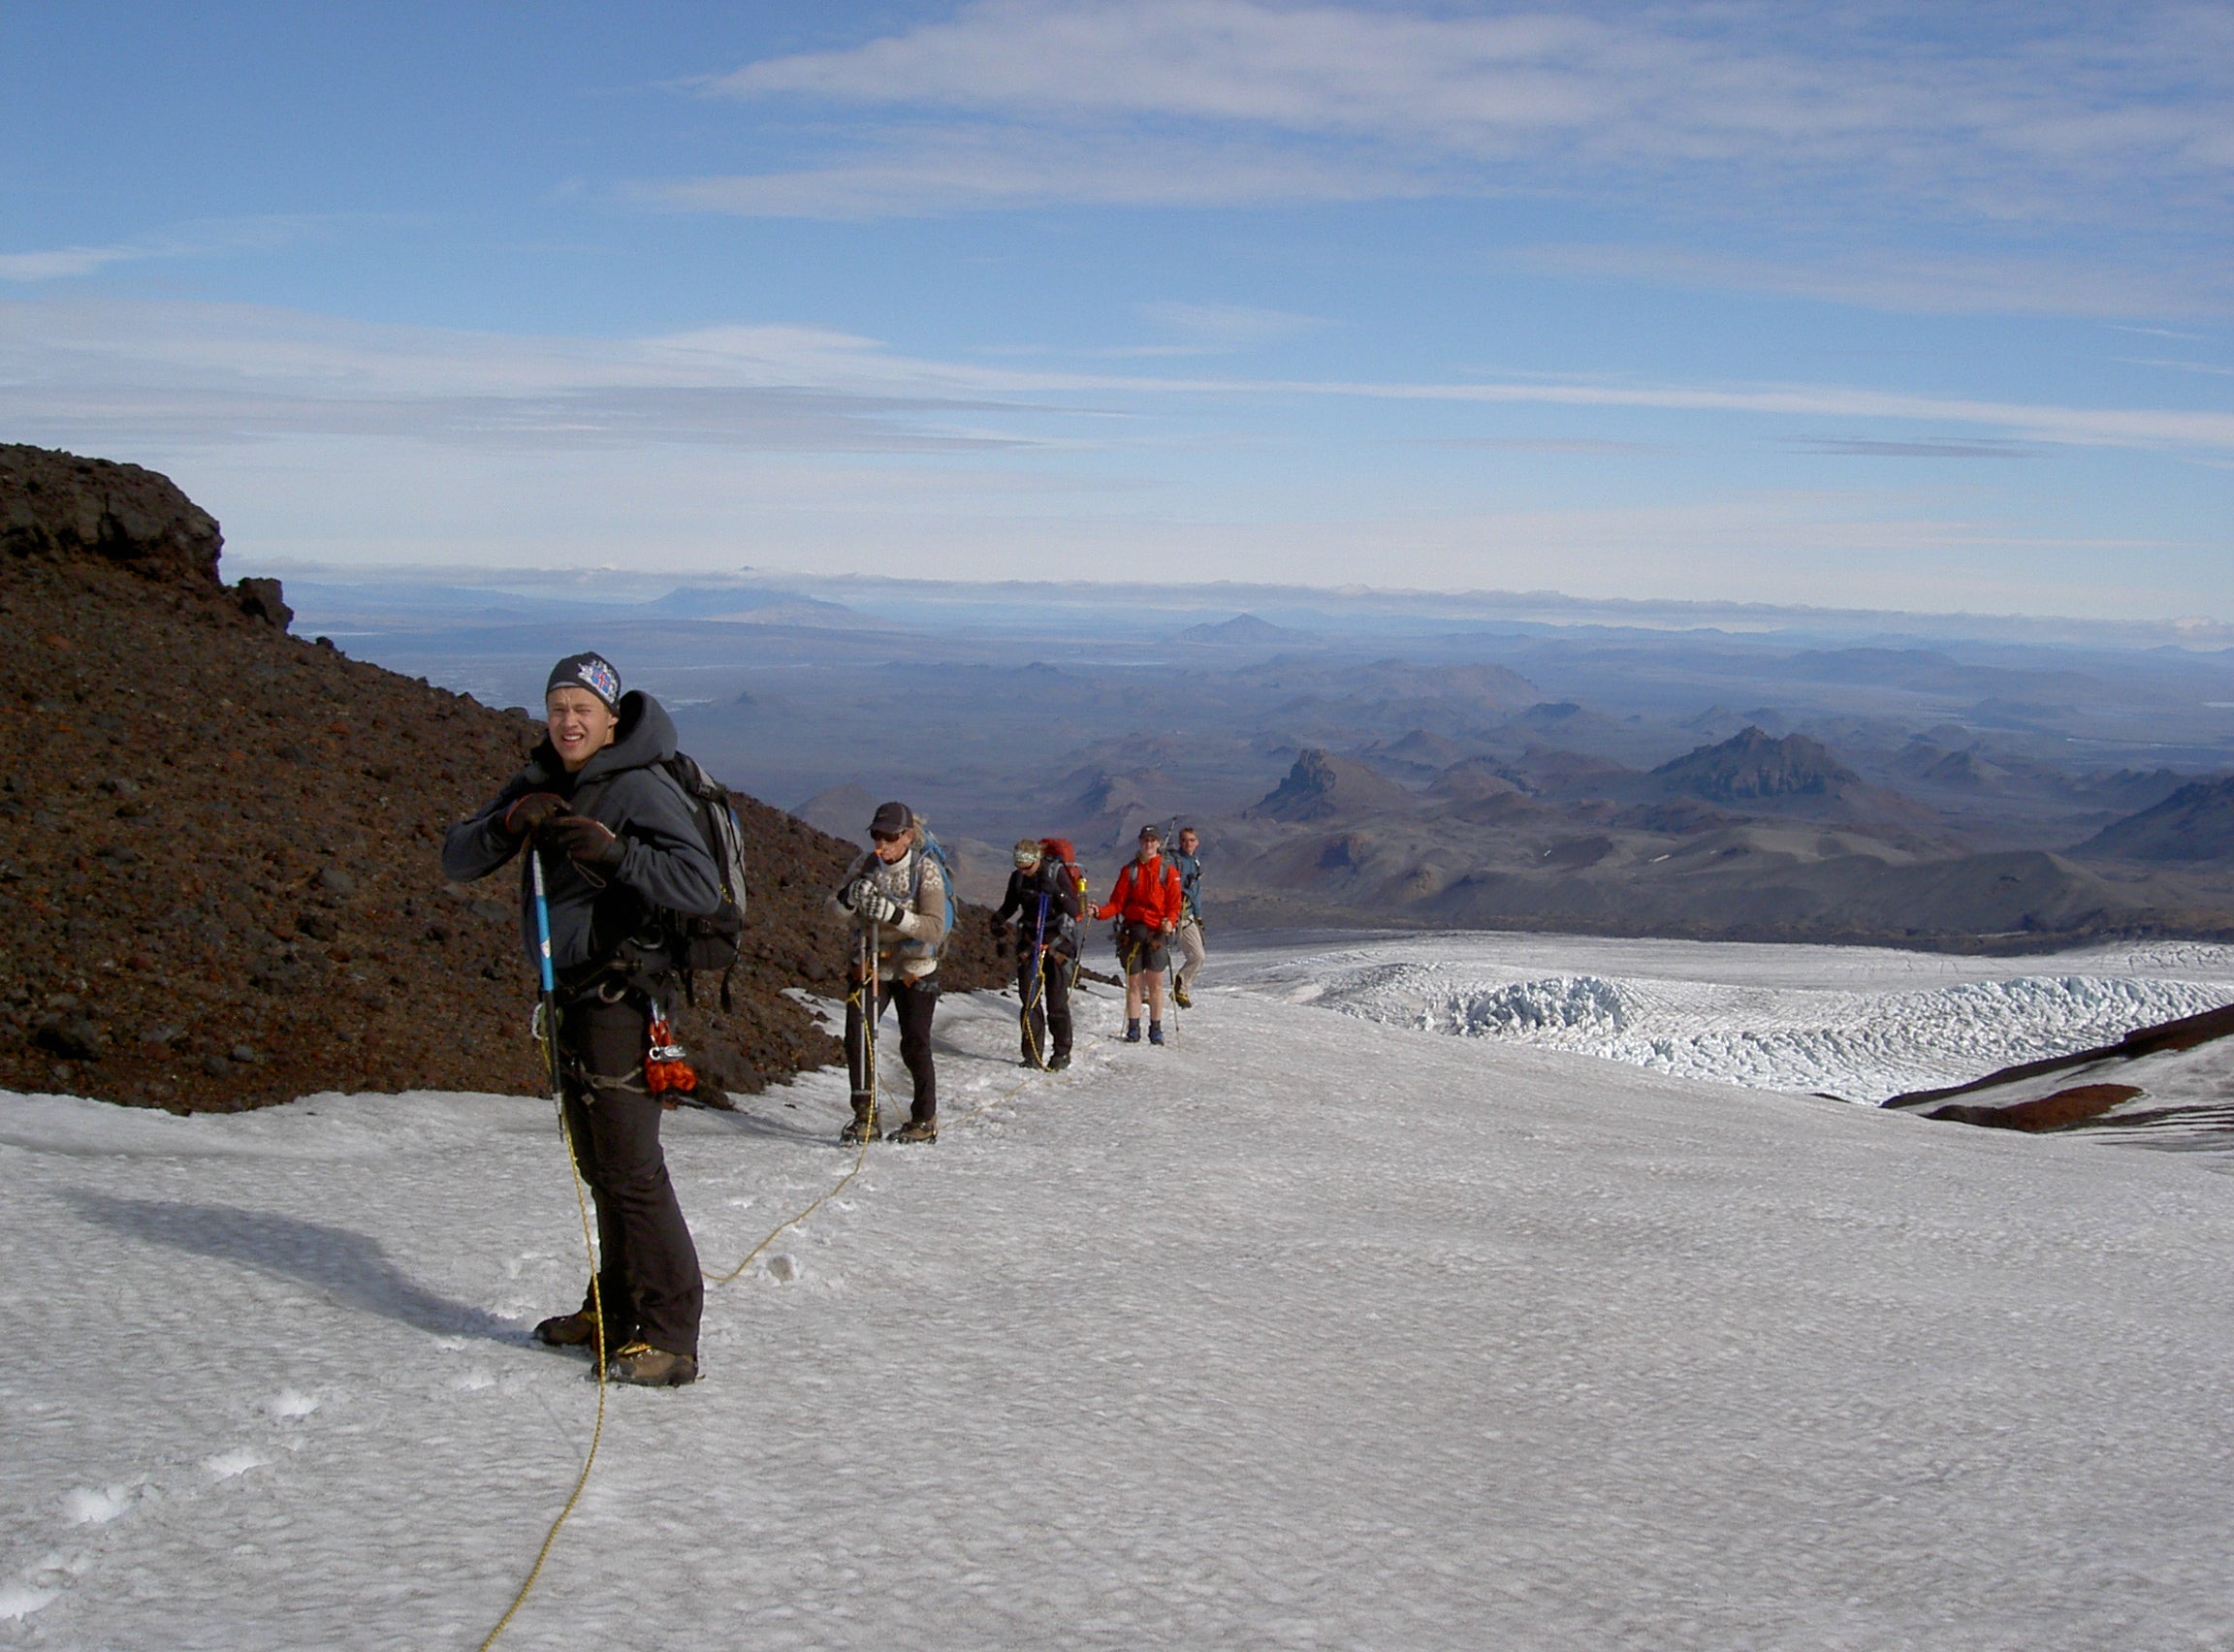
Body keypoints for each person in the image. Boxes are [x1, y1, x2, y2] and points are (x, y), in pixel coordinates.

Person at [442, 651, 720, 1388]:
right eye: (558, 707)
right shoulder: (540, 780)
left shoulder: (637, 784)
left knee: (631, 1172)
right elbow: (457, 858)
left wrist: (618, 853)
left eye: (583, 710)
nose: (568, 721)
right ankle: (615, 1312)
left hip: (620, 1001)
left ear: (609, 718)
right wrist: (509, 822)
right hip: (566, 997)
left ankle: (670, 1336)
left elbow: (700, 884)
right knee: (600, 1167)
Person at [829, 801, 949, 1143]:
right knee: (858, 1037)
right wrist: (849, 898)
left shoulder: (925, 871)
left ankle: (924, 1119)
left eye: (889, 837)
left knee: (914, 1043)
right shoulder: (865, 866)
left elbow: (934, 928)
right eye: (876, 836)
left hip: (916, 969)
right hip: (871, 966)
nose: (880, 844)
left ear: (908, 837)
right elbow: (830, 912)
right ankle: (865, 1117)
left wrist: (892, 914)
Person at [991, 839, 1082, 1070]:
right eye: (1019, 866)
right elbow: (1010, 904)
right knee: (1029, 1000)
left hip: (1057, 944)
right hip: (1030, 941)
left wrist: (1058, 893)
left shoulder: (1056, 873)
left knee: (1056, 1001)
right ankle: (1031, 1053)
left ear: (1037, 860)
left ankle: (1062, 1052)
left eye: (1027, 867)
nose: (1023, 871)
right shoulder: (1019, 878)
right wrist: (998, 920)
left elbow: (1074, 909)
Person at [1092, 823, 1185, 1045]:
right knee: (1134, 984)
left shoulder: (1168, 871)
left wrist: (1170, 922)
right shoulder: (1129, 871)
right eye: (1146, 840)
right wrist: (1099, 913)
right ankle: (1134, 1029)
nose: (1149, 844)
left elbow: (1174, 904)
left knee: (1155, 984)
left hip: (1156, 933)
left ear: (1159, 843)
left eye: (1153, 840)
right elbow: (1117, 903)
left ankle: (1156, 1029)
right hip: (1133, 932)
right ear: (1140, 842)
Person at [1169, 825, 1206, 1010]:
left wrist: (1198, 916)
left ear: (1197, 842)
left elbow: (1196, 892)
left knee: (1198, 956)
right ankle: (1145, 996)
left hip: (1187, 914)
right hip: (1172, 914)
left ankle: (1181, 987)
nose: (1188, 843)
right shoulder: (1174, 861)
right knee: (1158, 957)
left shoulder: (1195, 862)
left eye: (1191, 840)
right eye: (1184, 840)